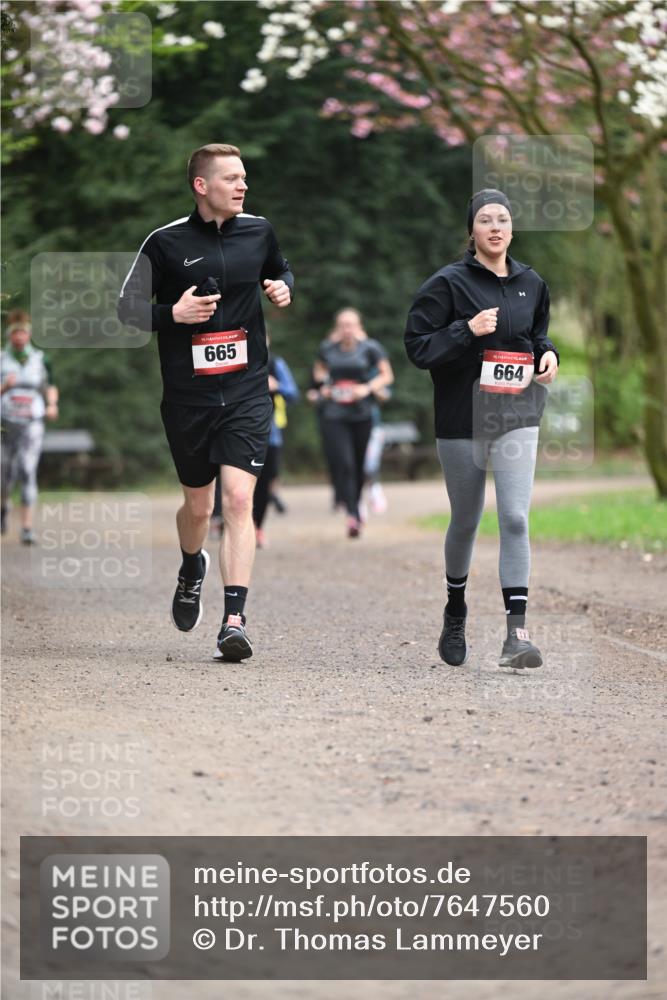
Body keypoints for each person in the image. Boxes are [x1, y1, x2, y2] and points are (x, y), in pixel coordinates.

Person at [117, 143, 293, 661]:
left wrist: (282, 288)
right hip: (189, 398)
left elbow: (283, 271)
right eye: (232, 179)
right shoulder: (165, 243)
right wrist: (174, 313)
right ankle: (192, 564)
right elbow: (127, 309)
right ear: (202, 186)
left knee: (238, 501)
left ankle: (234, 620)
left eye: (244, 178)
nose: (242, 187)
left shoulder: (259, 231)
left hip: (246, 389)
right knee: (200, 505)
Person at [405, 189, 559, 670]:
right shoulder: (446, 284)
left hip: (516, 413)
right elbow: (417, 347)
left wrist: (549, 354)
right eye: (486, 220)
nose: (496, 227)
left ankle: (517, 635)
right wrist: (465, 331)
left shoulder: (530, 282)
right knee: (466, 520)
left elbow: (537, 335)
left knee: (515, 518)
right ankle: (455, 609)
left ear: (512, 229)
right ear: (471, 230)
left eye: (504, 220)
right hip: (462, 416)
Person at [311, 308, 393, 538]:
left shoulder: (371, 348)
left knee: (358, 465)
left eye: (351, 325)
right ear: (337, 327)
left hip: (361, 413)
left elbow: (387, 376)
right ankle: (353, 514)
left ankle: (355, 506)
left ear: (359, 326)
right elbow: (318, 374)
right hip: (334, 414)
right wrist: (325, 387)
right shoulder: (327, 348)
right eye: (343, 325)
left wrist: (365, 388)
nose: (347, 329)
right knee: (344, 463)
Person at [1, 309, 59, 544]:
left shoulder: (40, 358)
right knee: (4, 473)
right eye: (15, 333)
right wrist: (5, 386)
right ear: (9, 335)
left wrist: (52, 404)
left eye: (23, 333)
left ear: (28, 335)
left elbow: (50, 385)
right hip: (5, 422)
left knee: (27, 469)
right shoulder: (2, 359)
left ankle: (26, 528)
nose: (19, 337)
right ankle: (4, 506)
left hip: (32, 422)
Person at [253, 344, 299, 548]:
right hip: (234, 435)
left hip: (270, 436)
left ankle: (257, 527)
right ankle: (231, 524)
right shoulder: (232, 359)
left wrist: (276, 385)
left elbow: (293, 393)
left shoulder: (274, 363)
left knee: (264, 484)